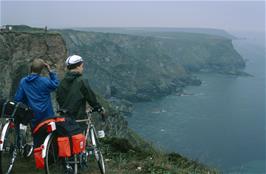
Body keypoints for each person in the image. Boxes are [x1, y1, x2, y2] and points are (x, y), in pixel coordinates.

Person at [56, 55, 105, 122]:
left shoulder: (62, 82)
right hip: (78, 118)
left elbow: (58, 98)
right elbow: (90, 97)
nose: (82, 69)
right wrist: (99, 108)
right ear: (77, 66)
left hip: (64, 118)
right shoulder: (81, 81)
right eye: (82, 66)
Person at [14, 58, 59, 127]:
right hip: (47, 116)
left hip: (32, 116)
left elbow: (18, 98)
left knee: (35, 135)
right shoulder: (45, 82)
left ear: (31, 68)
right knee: (49, 135)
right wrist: (50, 72)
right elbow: (55, 84)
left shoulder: (23, 82)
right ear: (41, 70)